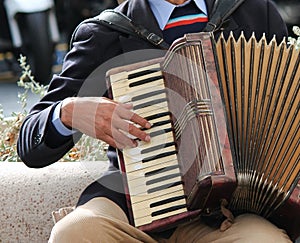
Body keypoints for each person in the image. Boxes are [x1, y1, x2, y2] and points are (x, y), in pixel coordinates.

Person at [17, 0, 292, 242]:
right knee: (74, 233)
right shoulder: (106, 32)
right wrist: (69, 111)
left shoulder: (255, 13)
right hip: (132, 208)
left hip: (229, 211)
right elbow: (29, 143)